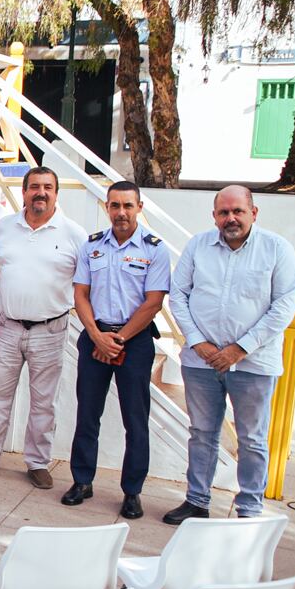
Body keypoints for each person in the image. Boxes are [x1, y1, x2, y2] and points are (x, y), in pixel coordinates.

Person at [164, 185, 295, 523]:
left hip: (253, 364)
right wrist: (199, 343)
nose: (231, 218)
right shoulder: (198, 246)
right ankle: (197, 501)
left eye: (238, 211)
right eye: (224, 212)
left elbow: (283, 305)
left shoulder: (276, 250)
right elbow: (178, 295)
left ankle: (249, 509)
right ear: (214, 216)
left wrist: (239, 349)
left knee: (252, 438)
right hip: (201, 361)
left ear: (254, 213)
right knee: (201, 433)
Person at [0, 166, 88, 488]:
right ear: (24, 191)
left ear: (56, 193)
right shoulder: (5, 227)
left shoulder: (74, 233)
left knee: (43, 402)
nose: (41, 193)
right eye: (34, 186)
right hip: (9, 327)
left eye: (48, 187)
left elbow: (85, 282)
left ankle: (37, 462)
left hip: (50, 330)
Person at [61, 181, 170, 518]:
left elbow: (153, 303)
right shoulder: (92, 246)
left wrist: (117, 340)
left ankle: (132, 491)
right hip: (95, 336)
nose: (121, 213)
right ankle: (82, 480)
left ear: (139, 207)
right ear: (106, 208)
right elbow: (80, 294)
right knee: (87, 414)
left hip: (133, 342)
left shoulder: (155, 249)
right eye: (114, 206)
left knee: (135, 420)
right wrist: (96, 336)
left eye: (127, 206)